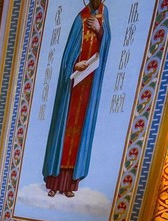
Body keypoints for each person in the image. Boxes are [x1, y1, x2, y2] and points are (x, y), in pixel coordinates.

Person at [43, 0, 109, 197]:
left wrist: (100, 31)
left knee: (80, 134)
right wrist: (74, 64)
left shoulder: (105, 18)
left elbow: (105, 47)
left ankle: (70, 185)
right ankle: (54, 183)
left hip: (89, 88)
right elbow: (67, 56)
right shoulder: (79, 18)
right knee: (62, 133)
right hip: (71, 90)